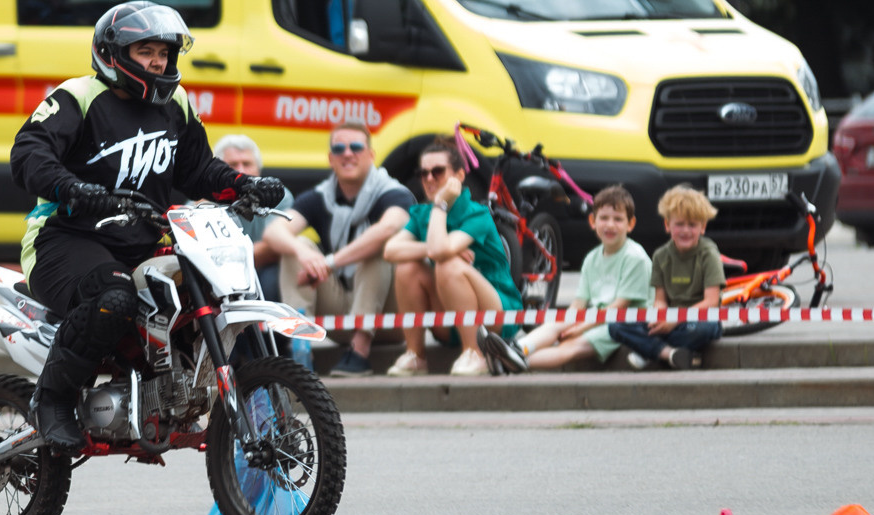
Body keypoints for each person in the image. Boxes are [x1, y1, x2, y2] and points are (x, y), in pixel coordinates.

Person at [10, 1, 285, 448]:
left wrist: (244, 184)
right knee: (115, 295)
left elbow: (198, 169)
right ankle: (53, 398)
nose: (158, 61)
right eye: (146, 52)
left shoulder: (175, 103)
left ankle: (180, 393)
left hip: (142, 240)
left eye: (163, 52)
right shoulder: (77, 96)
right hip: (66, 239)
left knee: (211, 290)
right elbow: (28, 154)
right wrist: (74, 188)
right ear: (112, 52)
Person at [271, 125, 413, 375]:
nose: (347, 154)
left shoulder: (393, 192)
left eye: (356, 147)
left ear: (371, 155)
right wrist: (303, 252)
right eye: (339, 148)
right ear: (330, 158)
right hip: (341, 311)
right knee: (298, 246)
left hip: (389, 317)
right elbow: (275, 232)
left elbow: (389, 227)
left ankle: (359, 353)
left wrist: (328, 263)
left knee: (376, 245)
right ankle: (301, 349)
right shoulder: (320, 196)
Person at [383, 136, 521, 377]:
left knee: (448, 265)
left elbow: (441, 253)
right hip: (451, 318)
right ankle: (415, 355)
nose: (428, 178)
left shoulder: (476, 213)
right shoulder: (421, 214)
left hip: (496, 316)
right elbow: (391, 251)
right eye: (422, 173)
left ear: (458, 176)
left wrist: (441, 206)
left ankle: (474, 353)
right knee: (408, 268)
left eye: (437, 171)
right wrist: (432, 246)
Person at [522, 185, 650, 370]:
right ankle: (516, 350)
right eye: (604, 218)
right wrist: (568, 324)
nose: (610, 225)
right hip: (597, 320)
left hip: (624, 326)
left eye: (618, 219)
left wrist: (581, 328)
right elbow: (578, 304)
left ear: (630, 224)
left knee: (568, 348)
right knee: (555, 325)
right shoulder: (592, 258)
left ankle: (512, 363)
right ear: (592, 221)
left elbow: (619, 307)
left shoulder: (635, 257)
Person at [612, 185, 724, 371]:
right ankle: (670, 353)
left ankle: (648, 350)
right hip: (669, 319)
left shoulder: (708, 254)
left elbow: (711, 302)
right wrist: (659, 317)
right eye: (679, 224)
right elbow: (660, 300)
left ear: (702, 227)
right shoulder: (660, 256)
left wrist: (675, 319)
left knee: (704, 329)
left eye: (692, 225)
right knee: (616, 325)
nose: (685, 230)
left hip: (696, 319)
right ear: (667, 225)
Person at [215, 133, 289, 302]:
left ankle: (268, 328)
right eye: (233, 164)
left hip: (260, 270)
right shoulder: (203, 199)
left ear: (258, 169)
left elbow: (274, 249)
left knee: (272, 278)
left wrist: (228, 258)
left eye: (247, 164)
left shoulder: (277, 196)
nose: (241, 170)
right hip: (217, 278)